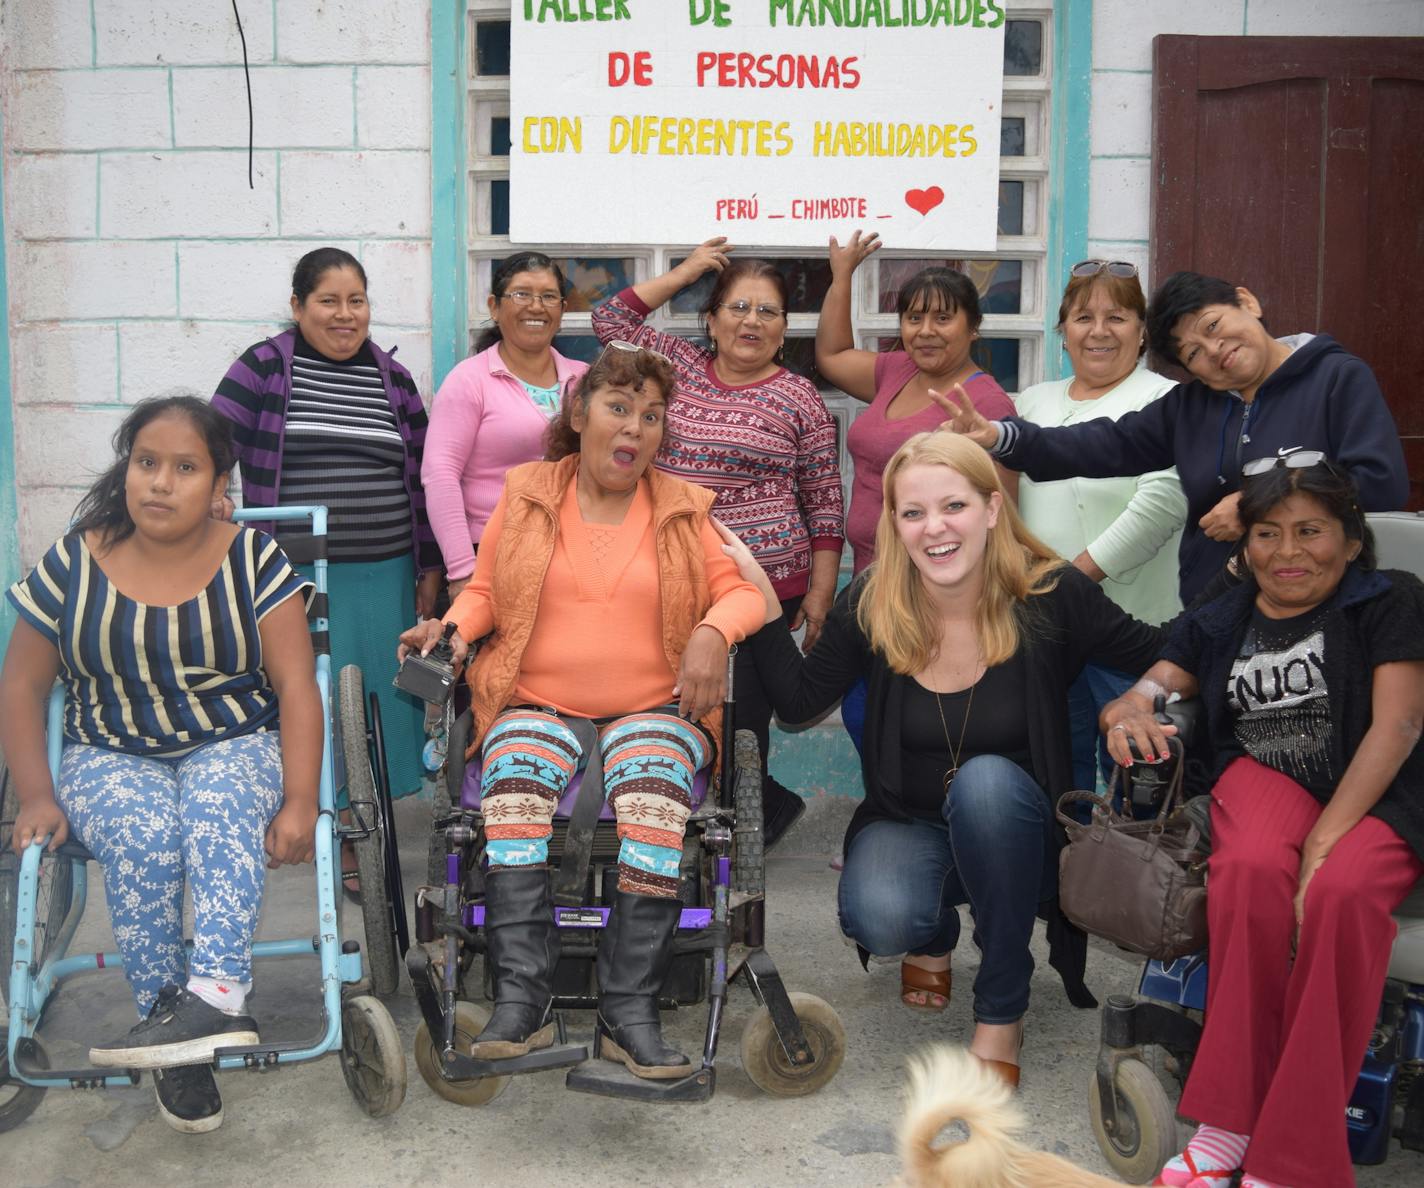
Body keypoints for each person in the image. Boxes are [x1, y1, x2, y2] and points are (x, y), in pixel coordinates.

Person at [722, 431, 1163, 1080]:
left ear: (991, 508)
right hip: (914, 821)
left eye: (953, 506)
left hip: (1026, 836)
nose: (935, 529)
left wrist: (1142, 697)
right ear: (895, 525)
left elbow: (1163, 647)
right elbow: (798, 701)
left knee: (985, 785)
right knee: (881, 915)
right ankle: (932, 933)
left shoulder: (1049, 593)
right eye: (913, 513)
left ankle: (1000, 1010)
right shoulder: (875, 601)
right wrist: (760, 606)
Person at [399, 343, 765, 1080]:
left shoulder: (684, 510)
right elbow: (490, 593)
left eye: (652, 417)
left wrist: (709, 631)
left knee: (657, 796)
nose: (634, 429)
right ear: (581, 411)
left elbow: (747, 593)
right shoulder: (530, 492)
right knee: (514, 786)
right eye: (618, 408)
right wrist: (453, 629)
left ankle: (629, 1012)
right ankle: (521, 1002)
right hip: (539, 700)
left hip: (652, 708)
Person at [0, 396, 321, 1134]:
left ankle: (213, 997)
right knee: (145, 837)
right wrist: (36, 796)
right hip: (107, 750)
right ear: (127, 469)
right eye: (147, 462)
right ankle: (170, 1035)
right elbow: (21, 685)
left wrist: (301, 799)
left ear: (218, 486)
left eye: (184, 468)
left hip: (230, 739)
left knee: (216, 809)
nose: (160, 482)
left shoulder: (252, 558)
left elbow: (297, 687)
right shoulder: (75, 559)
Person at [1101, 456, 1424, 1188]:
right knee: (1246, 876)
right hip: (1266, 774)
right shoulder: (1226, 610)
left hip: (1382, 787)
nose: (1288, 552)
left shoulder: (1391, 599)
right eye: (1268, 534)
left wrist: (1322, 844)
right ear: (1245, 546)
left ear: (1350, 539)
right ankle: (1229, 1124)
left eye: (1311, 531)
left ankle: (1296, 1159)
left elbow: (1399, 726)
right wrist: (1129, 705)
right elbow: (1160, 678)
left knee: (1340, 895)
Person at [934, 269, 1409, 604]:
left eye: (1214, 327)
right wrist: (997, 435)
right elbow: (1099, 444)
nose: (1215, 351)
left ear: (1247, 303)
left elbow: (1379, 482)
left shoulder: (1336, 378)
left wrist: (1256, 504)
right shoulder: (1192, 405)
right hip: (1217, 615)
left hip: (1320, 612)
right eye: (1194, 352)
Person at [592, 237, 844, 847]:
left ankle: (744, 828)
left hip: (764, 588)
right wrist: (687, 272)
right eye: (736, 307)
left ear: (785, 328)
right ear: (711, 320)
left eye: (767, 312)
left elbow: (825, 500)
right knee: (675, 710)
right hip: (673, 577)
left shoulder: (800, 397)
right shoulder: (672, 369)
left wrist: (821, 592)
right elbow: (611, 319)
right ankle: (690, 820)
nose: (751, 322)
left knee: (740, 724)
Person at [213, 247, 442, 887]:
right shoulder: (264, 367)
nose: (345, 315)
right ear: (297, 307)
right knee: (315, 693)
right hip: (298, 575)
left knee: (380, 697)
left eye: (356, 301)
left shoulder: (392, 381)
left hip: (385, 569)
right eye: (328, 301)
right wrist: (212, 488)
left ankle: (371, 822)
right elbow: (209, 438)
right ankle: (338, 829)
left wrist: (428, 565)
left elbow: (422, 478)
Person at [1014, 260, 1186, 793]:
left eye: (1117, 316)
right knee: (1057, 778)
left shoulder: (1166, 399)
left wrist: (1072, 581)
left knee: (1135, 782)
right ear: (1062, 330)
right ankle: (1065, 874)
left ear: (1142, 331)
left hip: (1133, 629)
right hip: (1046, 629)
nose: (1099, 331)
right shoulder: (1033, 401)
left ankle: (1127, 876)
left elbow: (1160, 504)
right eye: (1083, 316)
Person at [816, 231, 1017, 576]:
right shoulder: (896, 370)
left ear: (973, 327)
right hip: (871, 579)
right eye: (913, 318)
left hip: (931, 587)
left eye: (942, 318)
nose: (925, 331)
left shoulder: (987, 403)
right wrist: (842, 276)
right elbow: (832, 356)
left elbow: (1004, 517)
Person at [422, 252, 589, 602]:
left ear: (561, 309)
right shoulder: (469, 380)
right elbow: (440, 475)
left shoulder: (584, 379)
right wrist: (462, 571)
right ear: (495, 307)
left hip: (571, 552)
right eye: (522, 294)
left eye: (548, 296)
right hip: (490, 553)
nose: (536, 306)